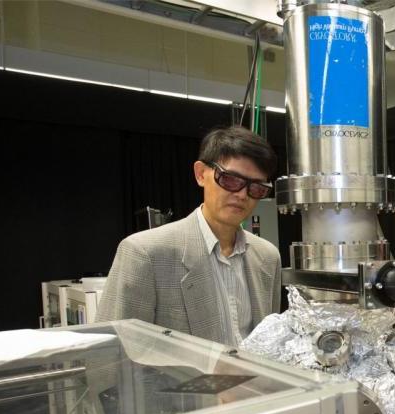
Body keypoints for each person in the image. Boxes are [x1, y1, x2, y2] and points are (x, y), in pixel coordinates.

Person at [98, 126, 282, 346]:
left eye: (257, 188)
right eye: (231, 179)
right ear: (201, 174)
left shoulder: (268, 257)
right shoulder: (146, 254)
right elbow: (111, 352)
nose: (242, 195)